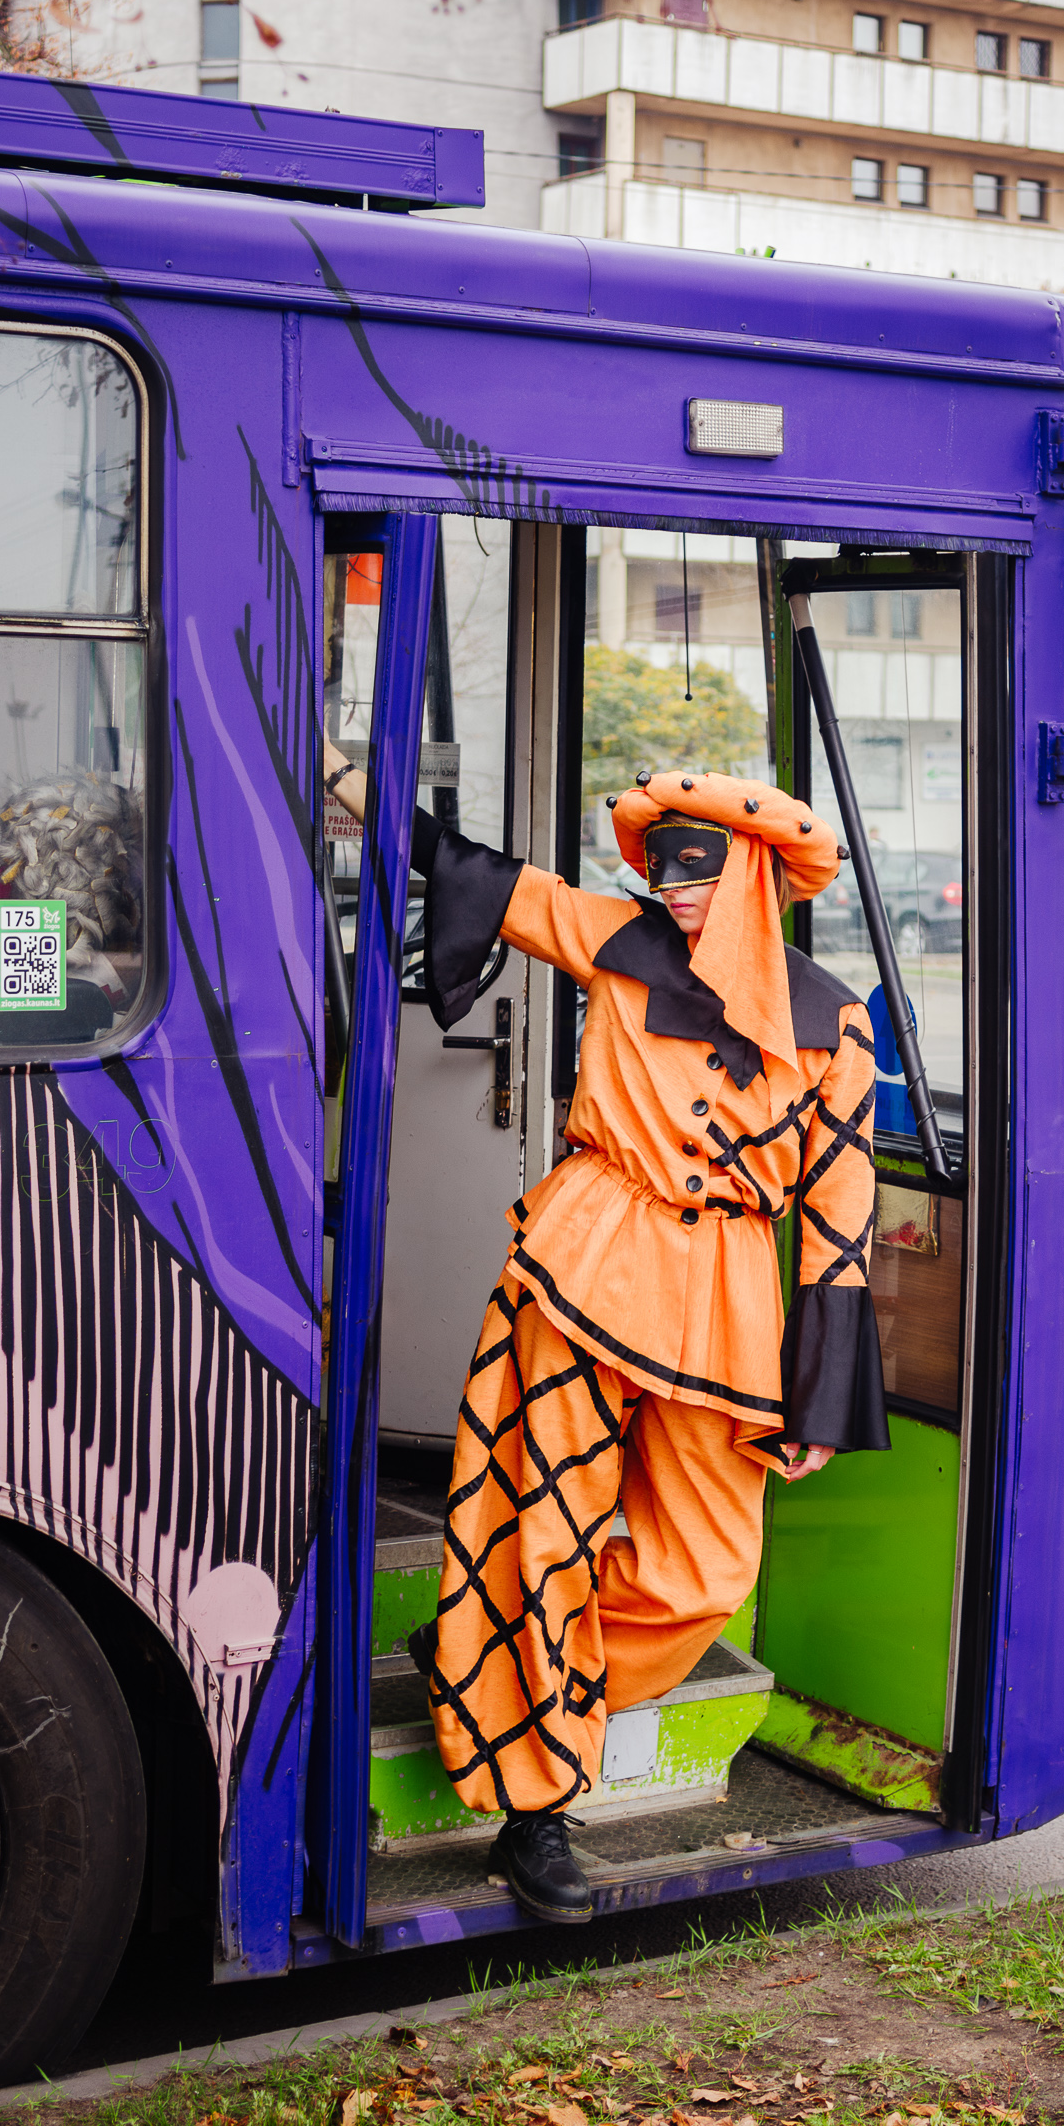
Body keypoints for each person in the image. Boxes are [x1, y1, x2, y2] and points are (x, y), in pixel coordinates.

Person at [321, 743, 888, 1923]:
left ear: (759, 875)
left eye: (702, 873)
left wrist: (823, 1397)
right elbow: (480, 874)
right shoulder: (614, 942)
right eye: (667, 871)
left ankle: (489, 1666)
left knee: (702, 1573)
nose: (677, 892)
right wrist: (347, 778)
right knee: (547, 1528)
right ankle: (535, 1810)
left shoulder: (836, 1023)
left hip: (729, 1293)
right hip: (588, 1255)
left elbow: (840, 1215)